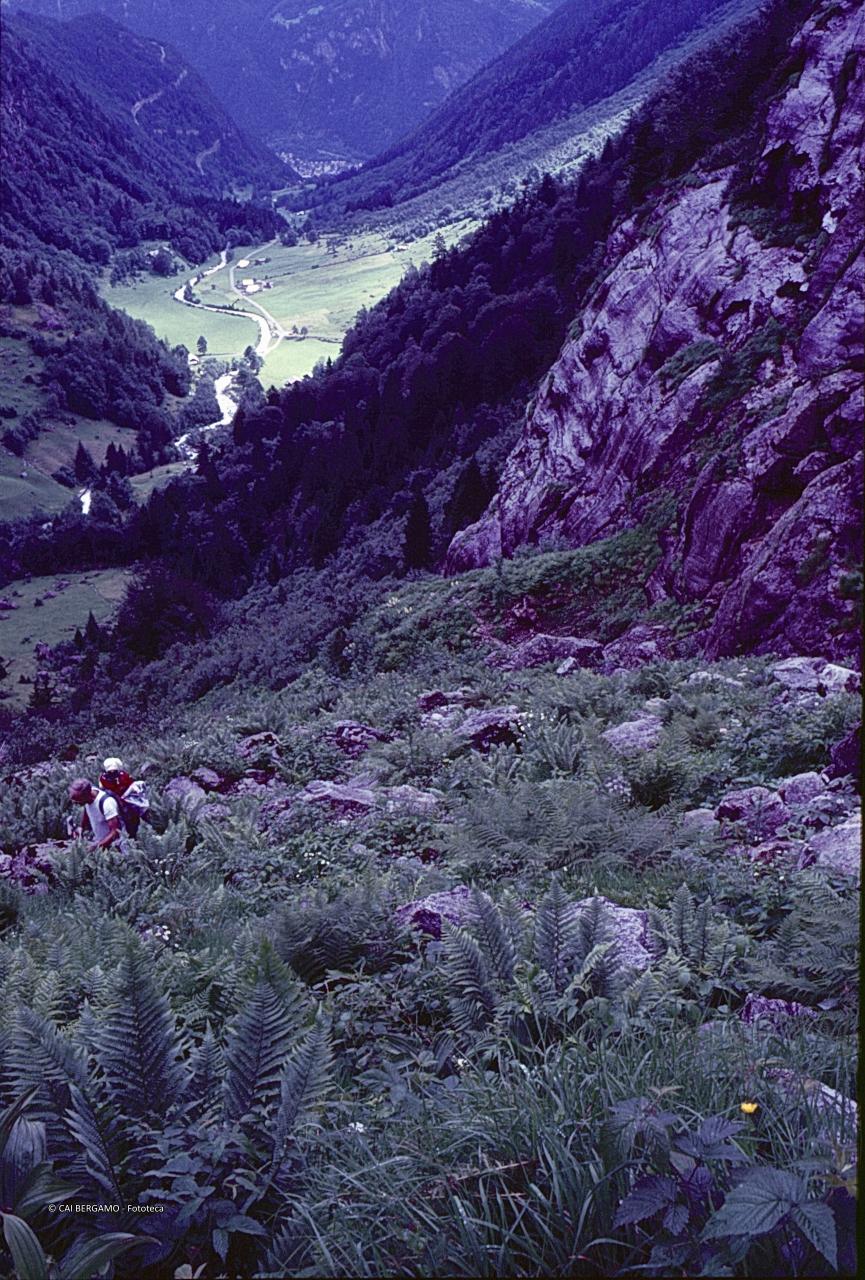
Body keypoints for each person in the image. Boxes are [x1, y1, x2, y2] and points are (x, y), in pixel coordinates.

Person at [99, 756, 149, 837]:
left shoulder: (123, 775)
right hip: (113, 799)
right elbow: (103, 789)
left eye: (114, 771)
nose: (112, 772)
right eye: (110, 771)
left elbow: (131, 784)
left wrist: (125, 795)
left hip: (126, 796)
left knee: (135, 812)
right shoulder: (103, 778)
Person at [68, 778, 124, 850]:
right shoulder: (88, 796)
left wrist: (96, 847)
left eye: (77, 800)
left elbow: (115, 832)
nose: (74, 802)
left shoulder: (107, 803)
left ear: (86, 796)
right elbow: (87, 809)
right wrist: (81, 827)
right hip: (100, 842)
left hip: (115, 846)